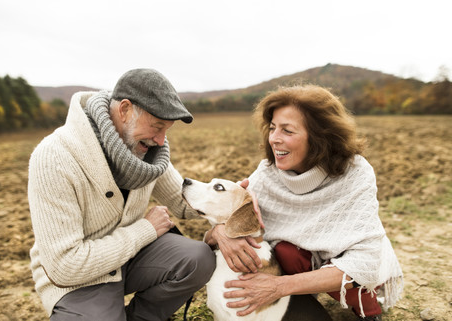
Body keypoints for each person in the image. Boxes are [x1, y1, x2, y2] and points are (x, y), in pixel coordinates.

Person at [28, 69, 216, 321]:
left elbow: (184, 203)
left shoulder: (150, 153)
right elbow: (65, 266)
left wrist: (238, 198)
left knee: (198, 258)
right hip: (79, 279)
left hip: (132, 258)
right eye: (157, 127)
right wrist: (145, 230)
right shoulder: (54, 157)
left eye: (166, 130)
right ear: (125, 110)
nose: (161, 141)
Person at [204, 85, 403, 321]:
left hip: (343, 257)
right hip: (305, 261)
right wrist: (220, 230)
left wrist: (278, 286)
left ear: (320, 137)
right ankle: (302, 299)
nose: (275, 139)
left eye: (287, 131)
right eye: (272, 128)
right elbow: (231, 222)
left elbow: (366, 259)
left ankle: (368, 311)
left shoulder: (355, 172)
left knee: (359, 267)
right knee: (283, 252)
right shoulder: (267, 173)